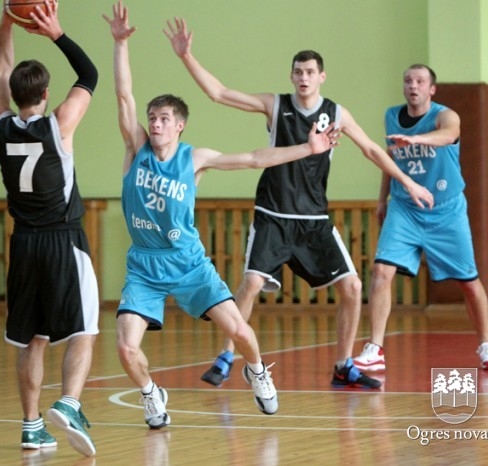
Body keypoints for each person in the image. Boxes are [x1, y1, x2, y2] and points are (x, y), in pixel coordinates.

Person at [165, 18, 435, 389]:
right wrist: (186, 56)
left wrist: (407, 183)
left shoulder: (336, 114)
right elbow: (220, 93)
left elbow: (372, 149)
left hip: (313, 219)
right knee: (251, 283)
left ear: (322, 76)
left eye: (310, 71)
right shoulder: (276, 106)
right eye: (297, 72)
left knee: (353, 288)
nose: (303, 77)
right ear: (291, 77)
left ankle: (343, 366)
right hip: (273, 214)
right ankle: (226, 355)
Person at [104, 0, 339, 428]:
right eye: (152, 118)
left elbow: (253, 157)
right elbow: (123, 95)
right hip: (144, 266)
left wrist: (307, 148)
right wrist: (120, 44)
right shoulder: (135, 149)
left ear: (179, 126)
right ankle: (151, 395)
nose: (154, 124)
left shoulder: (195, 160)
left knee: (241, 333)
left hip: (190, 264)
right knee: (125, 347)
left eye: (163, 119)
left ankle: (257, 371)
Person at [0, 1, 99, 457]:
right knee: (86, 328)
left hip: (24, 243)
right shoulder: (60, 125)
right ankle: (70, 403)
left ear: (14, 96)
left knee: (32, 337)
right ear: (47, 93)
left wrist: (6, 19)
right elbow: (89, 74)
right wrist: (55, 32)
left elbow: (0, 68)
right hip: (62, 239)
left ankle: (31, 425)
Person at [352, 64, 488, 372]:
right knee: (381, 272)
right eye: (408, 80)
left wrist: (418, 140)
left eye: (420, 81)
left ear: (431, 89)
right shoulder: (392, 116)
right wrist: (383, 199)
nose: (413, 85)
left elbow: (449, 135)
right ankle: (375, 348)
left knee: (469, 282)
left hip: (446, 210)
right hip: (405, 207)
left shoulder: (445, 115)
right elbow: (389, 159)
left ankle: (486, 344)